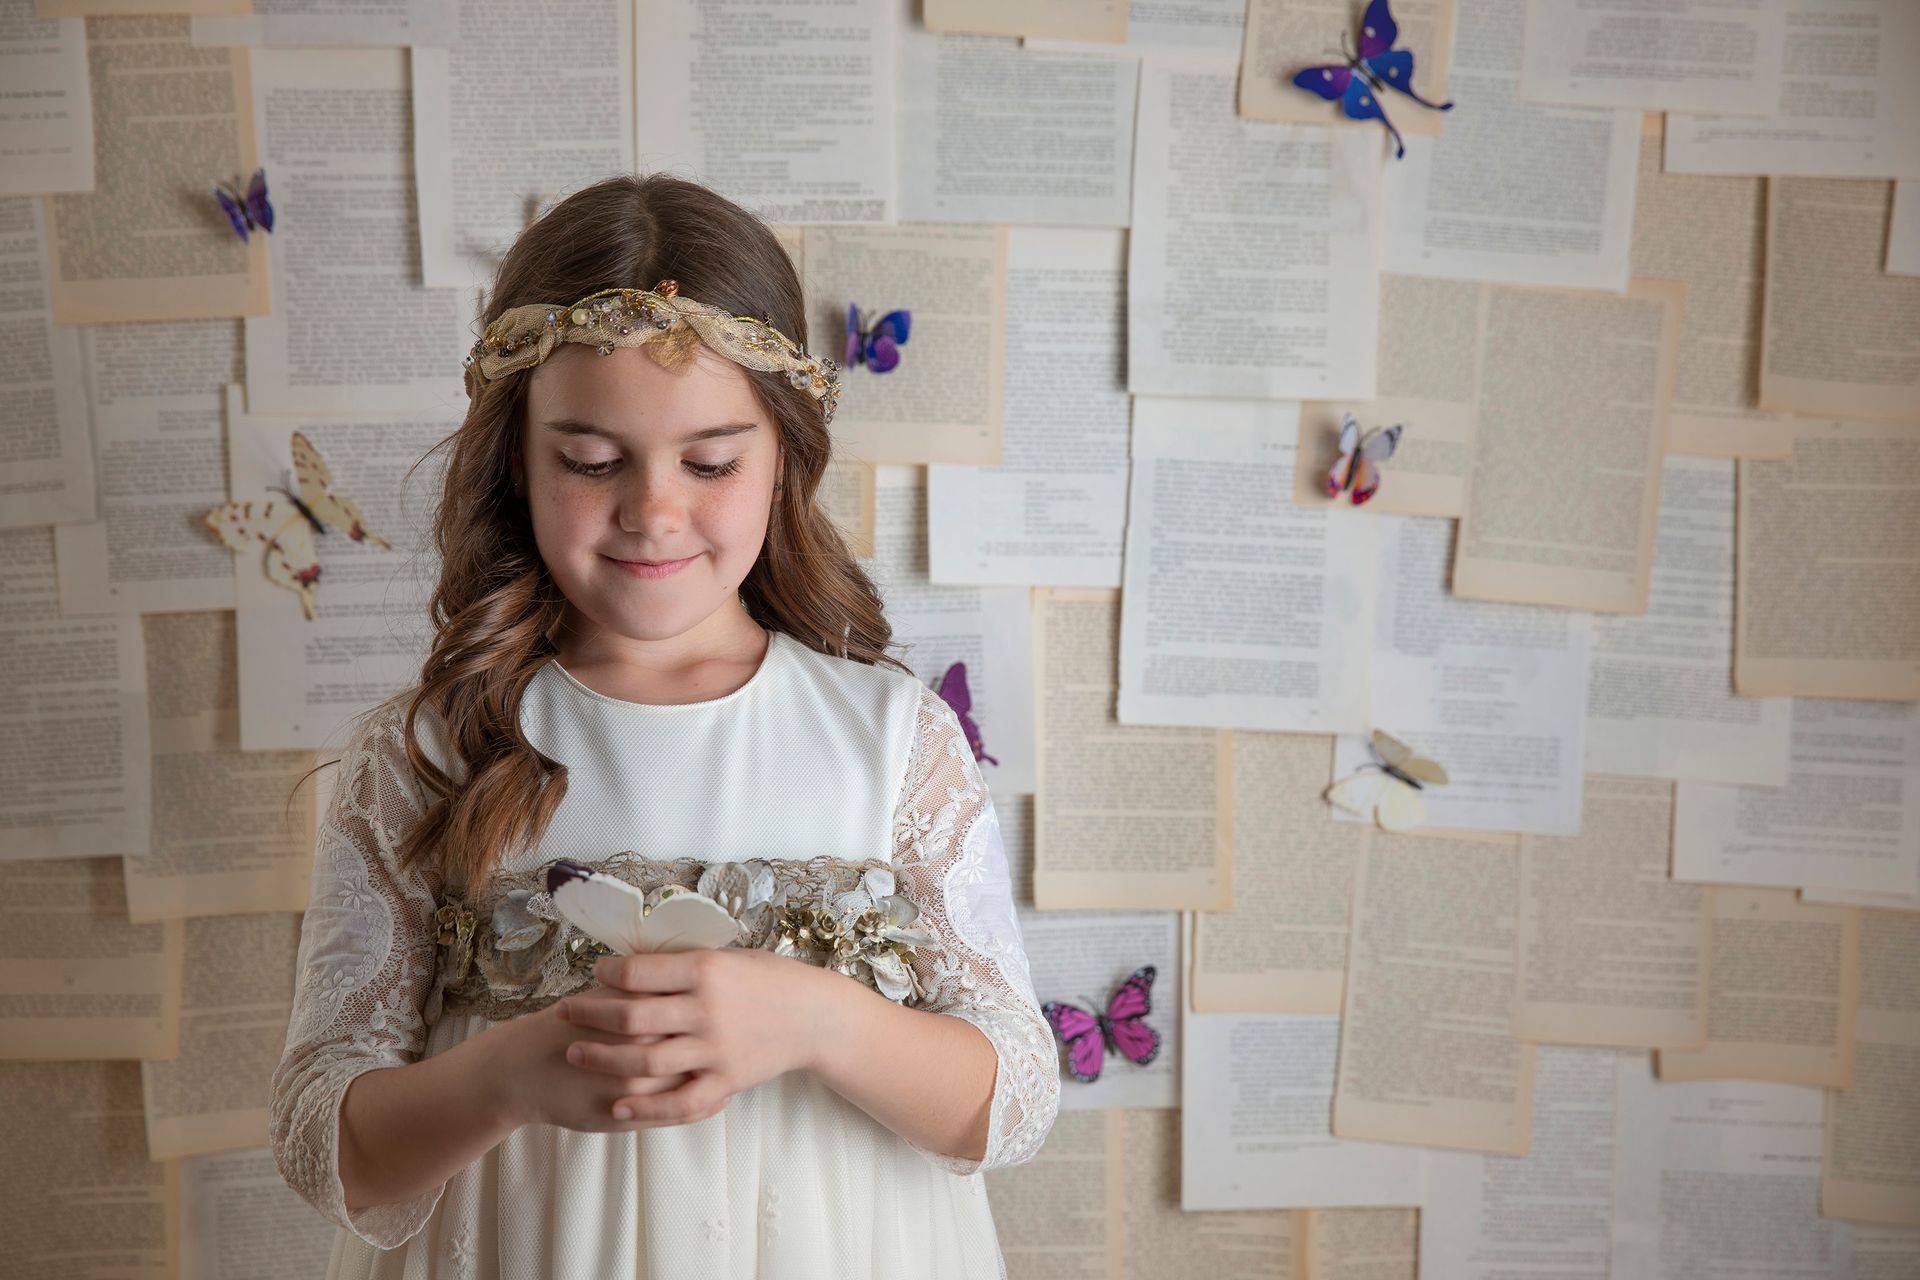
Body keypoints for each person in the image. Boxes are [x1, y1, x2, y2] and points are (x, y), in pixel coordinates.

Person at [267, 173, 1060, 1279]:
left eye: (710, 461)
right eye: (591, 462)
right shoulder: (434, 748)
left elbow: (1014, 1095)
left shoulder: (894, 740)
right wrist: (509, 1074)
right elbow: (321, 1137)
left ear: (782, 454)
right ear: (517, 458)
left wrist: (822, 1022)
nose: (651, 510)